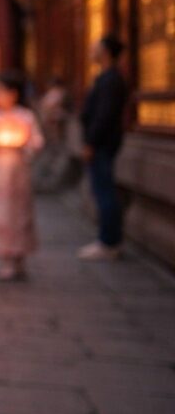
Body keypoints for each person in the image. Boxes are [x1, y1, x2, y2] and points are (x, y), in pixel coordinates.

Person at [0, 71, 45, 281]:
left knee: (20, 212)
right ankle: (5, 257)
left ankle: (19, 256)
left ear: (13, 93)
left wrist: (23, 145)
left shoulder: (26, 116)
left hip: (18, 169)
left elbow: (37, 141)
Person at [78, 34, 129, 261]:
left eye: (96, 47)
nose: (92, 51)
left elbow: (104, 116)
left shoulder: (111, 80)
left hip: (102, 144)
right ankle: (109, 239)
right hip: (102, 143)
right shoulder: (107, 78)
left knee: (105, 191)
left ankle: (109, 241)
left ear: (106, 51)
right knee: (104, 190)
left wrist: (91, 142)